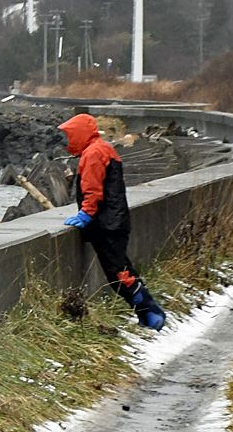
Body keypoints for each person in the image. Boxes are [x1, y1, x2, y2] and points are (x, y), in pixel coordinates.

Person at [58, 113, 166, 330]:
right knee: (120, 269)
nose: (68, 141)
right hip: (113, 220)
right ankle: (146, 313)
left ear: (80, 134)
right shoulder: (102, 149)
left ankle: (150, 311)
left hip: (107, 224)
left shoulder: (93, 154)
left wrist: (86, 214)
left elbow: (93, 189)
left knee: (118, 272)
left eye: (70, 135)